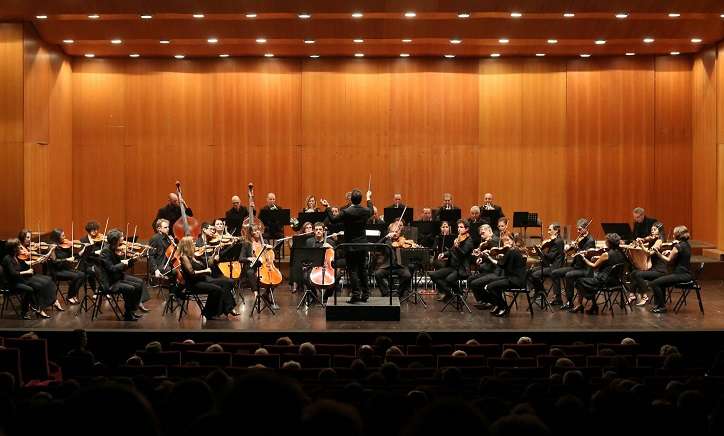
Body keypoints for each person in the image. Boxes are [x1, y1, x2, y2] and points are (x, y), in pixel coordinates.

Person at [321, 188, 373, 303]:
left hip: (350, 245)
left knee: (353, 270)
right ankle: (365, 294)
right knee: (363, 269)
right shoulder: (365, 211)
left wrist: (328, 207)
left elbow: (333, 220)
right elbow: (371, 210)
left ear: (351, 199)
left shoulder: (347, 212)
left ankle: (355, 295)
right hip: (363, 244)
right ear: (360, 200)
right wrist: (369, 198)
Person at [177, 236, 238, 319]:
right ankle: (209, 313)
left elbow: (209, 264)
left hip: (204, 279)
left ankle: (228, 307)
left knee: (228, 282)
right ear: (187, 245)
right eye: (193, 242)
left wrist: (214, 254)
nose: (195, 244)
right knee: (217, 289)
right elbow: (192, 273)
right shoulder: (184, 257)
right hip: (195, 283)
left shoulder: (193, 256)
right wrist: (205, 271)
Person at [570, 233, 626, 315]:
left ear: (609, 243)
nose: (605, 242)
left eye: (606, 241)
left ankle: (580, 305)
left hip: (604, 281)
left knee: (579, 280)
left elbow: (593, 266)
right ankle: (594, 305)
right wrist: (598, 258)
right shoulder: (621, 253)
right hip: (616, 281)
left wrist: (584, 258)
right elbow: (609, 261)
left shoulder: (606, 254)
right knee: (591, 277)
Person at [1, 238, 56, 319]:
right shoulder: (7, 259)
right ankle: (25, 312)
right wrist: (27, 272)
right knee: (30, 289)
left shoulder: (15, 256)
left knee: (38, 286)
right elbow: (13, 273)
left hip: (19, 280)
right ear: (13, 248)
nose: (20, 248)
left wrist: (37, 261)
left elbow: (24, 263)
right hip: (11, 284)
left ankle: (38, 308)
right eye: (18, 246)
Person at [97, 229, 143, 321]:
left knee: (139, 284)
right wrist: (123, 263)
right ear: (115, 240)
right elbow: (112, 269)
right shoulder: (105, 252)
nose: (123, 238)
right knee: (130, 288)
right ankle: (128, 314)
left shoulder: (114, 249)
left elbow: (121, 268)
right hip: (109, 283)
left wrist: (132, 260)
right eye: (121, 237)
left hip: (116, 278)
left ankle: (131, 311)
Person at [550, 218, 596, 310]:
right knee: (555, 272)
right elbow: (576, 254)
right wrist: (571, 249)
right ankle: (558, 298)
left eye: (579, 229)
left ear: (585, 228)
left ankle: (569, 301)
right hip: (576, 267)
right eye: (577, 229)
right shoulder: (581, 240)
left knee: (569, 275)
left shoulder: (590, 241)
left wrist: (577, 248)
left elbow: (585, 256)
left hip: (584, 269)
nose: (578, 231)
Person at [648, 226, 692, 314]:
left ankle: (662, 307)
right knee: (661, 283)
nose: (672, 235)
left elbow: (668, 260)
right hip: (687, 274)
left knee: (654, 283)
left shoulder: (677, 246)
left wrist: (658, 253)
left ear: (677, 235)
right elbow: (680, 254)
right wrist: (669, 251)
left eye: (674, 233)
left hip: (680, 275)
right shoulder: (686, 244)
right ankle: (659, 305)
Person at [482, 233, 527, 317]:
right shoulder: (513, 250)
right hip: (514, 278)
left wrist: (489, 257)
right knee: (492, 283)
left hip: (515, 280)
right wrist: (502, 257)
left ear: (513, 241)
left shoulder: (511, 251)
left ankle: (503, 307)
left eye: (508, 240)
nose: (506, 243)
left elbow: (501, 265)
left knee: (490, 287)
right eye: (504, 241)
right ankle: (499, 305)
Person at [430, 220, 474, 302]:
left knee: (449, 279)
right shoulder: (459, 238)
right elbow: (451, 250)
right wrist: (444, 254)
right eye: (458, 227)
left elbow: (463, 254)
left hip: (461, 268)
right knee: (433, 275)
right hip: (452, 266)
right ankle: (450, 294)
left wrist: (457, 247)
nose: (459, 229)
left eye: (461, 227)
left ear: (467, 229)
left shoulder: (469, 240)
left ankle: (459, 294)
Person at [628, 222, 667, 307]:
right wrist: (640, 239)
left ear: (659, 231)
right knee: (634, 272)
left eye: (654, 229)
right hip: (654, 268)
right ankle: (632, 294)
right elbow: (645, 239)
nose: (652, 231)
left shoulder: (659, 241)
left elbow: (650, 253)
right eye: (651, 229)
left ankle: (645, 296)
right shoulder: (653, 239)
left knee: (638, 274)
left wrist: (642, 246)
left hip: (660, 270)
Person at [373, 223, 412, 297]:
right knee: (377, 274)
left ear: (400, 232)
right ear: (389, 232)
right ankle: (385, 293)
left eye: (397, 231)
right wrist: (385, 237)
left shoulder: (403, 240)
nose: (395, 233)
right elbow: (376, 246)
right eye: (393, 231)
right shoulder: (386, 241)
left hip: (400, 266)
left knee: (407, 275)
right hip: (387, 266)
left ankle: (399, 293)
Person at [48, 228, 86, 305]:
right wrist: (67, 259)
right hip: (57, 271)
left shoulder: (66, 245)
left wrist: (81, 251)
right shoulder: (52, 247)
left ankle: (73, 294)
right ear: (57, 237)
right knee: (76, 276)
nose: (65, 237)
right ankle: (69, 296)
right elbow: (55, 262)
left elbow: (72, 257)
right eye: (63, 236)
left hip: (65, 269)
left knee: (82, 275)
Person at [528, 223, 565, 300]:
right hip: (550, 265)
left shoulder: (558, 242)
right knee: (531, 271)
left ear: (556, 231)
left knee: (535, 274)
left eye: (550, 230)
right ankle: (538, 292)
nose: (548, 232)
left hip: (555, 267)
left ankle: (541, 292)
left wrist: (541, 252)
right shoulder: (555, 241)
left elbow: (551, 256)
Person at [469, 224, 501, 308]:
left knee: (474, 283)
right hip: (488, 269)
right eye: (480, 234)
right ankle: (482, 300)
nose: (481, 235)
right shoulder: (487, 242)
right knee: (471, 279)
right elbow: (487, 255)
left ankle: (489, 302)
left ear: (489, 231)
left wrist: (483, 258)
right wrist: (481, 258)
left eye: (483, 233)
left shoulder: (494, 241)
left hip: (494, 271)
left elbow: (494, 257)